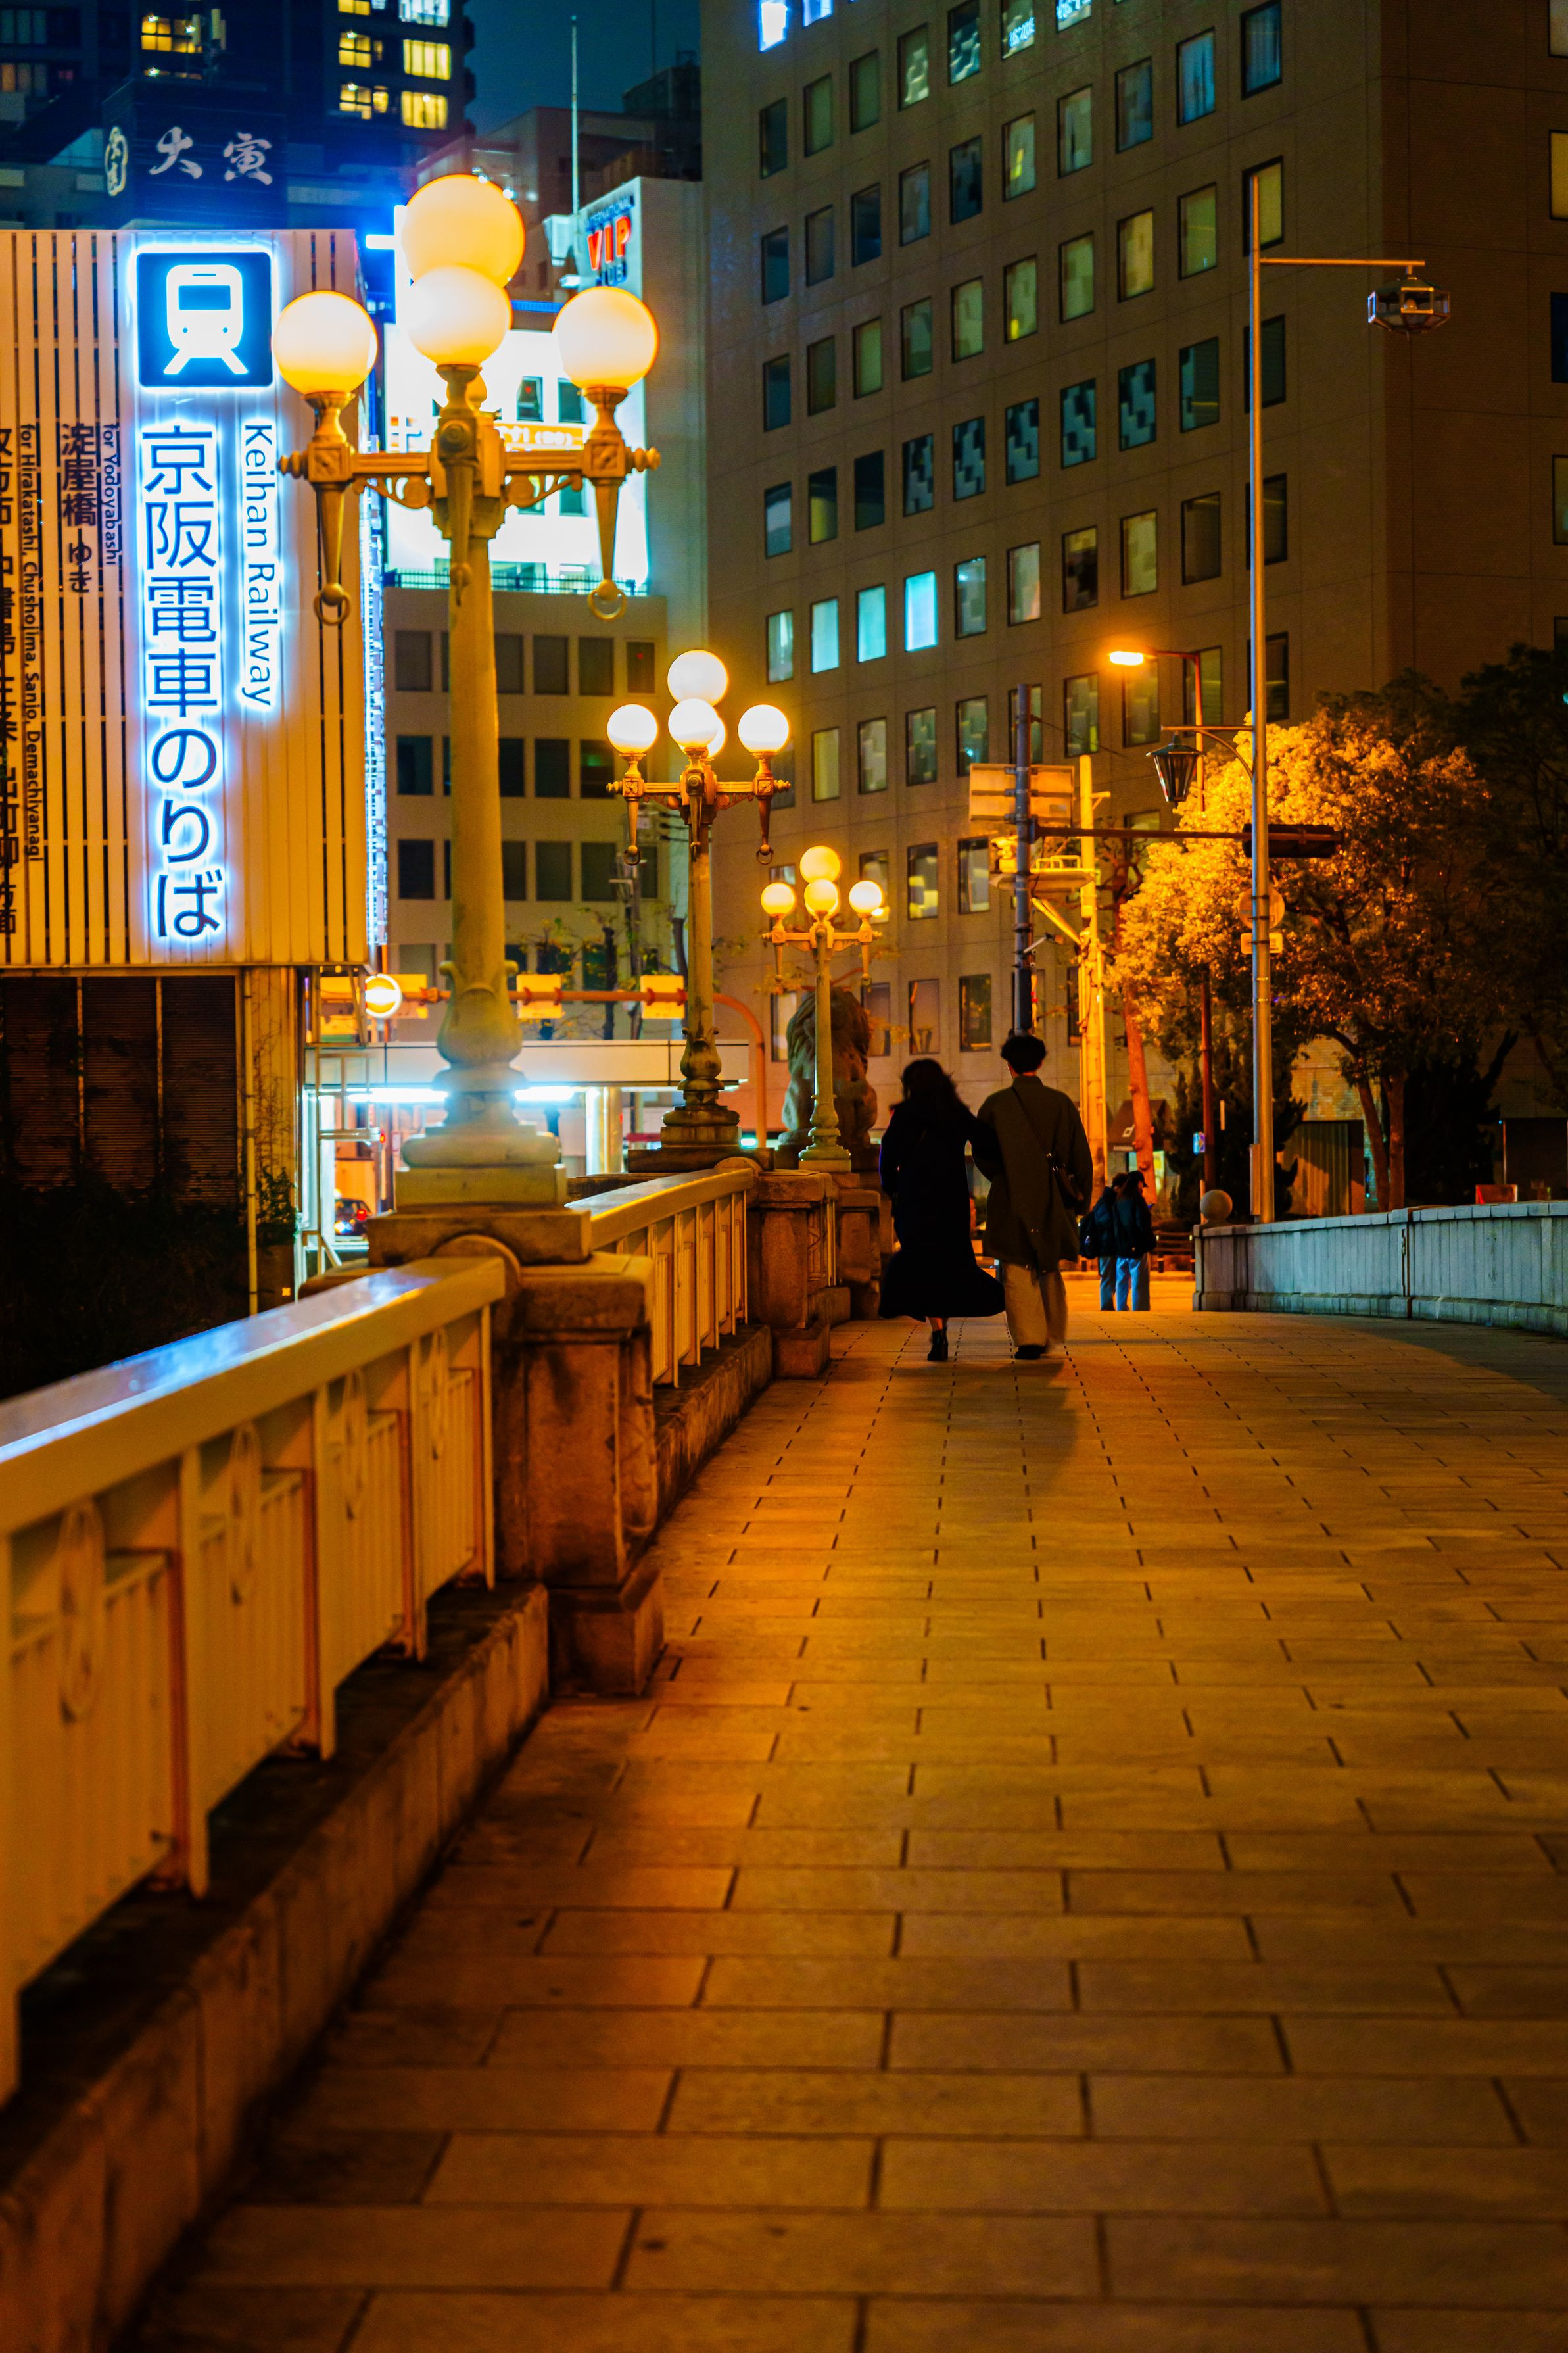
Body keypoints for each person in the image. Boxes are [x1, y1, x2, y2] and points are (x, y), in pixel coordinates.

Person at [972, 1033, 1094, 1361]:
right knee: (1048, 1264)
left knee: (1016, 1266)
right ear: (1040, 1063)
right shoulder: (1061, 1104)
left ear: (1009, 1065)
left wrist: (1004, 1176)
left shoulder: (995, 1105)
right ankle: (1053, 1328)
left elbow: (982, 1154)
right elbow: (1081, 1157)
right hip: (1053, 1199)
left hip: (1010, 1198)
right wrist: (1081, 1202)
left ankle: (1029, 1338)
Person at [878, 1058, 1005, 1361]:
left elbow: (887, 1157)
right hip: (950, 1201)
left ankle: (938, 1333)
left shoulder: (905, 1114)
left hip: (915, 1202)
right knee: (948, 1265)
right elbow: (986, 1139)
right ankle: (943, 1328)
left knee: (923, 1264)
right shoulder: (954, 1112)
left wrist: (894, 1189)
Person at [1108, 1167, 1155, 1311]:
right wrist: (1149, 1241)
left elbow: (1116, 1224)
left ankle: (1121, 1308)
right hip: (1137, 1247)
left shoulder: (1119, 1200)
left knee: (1122, 1281)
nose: (1143, 1189)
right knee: (1139, 1281)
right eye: (1142, 1185)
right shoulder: (1138, 1200)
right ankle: (1140, 1309)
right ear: (1139, 1183)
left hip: (1121, 1247)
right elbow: (1142, 1224)